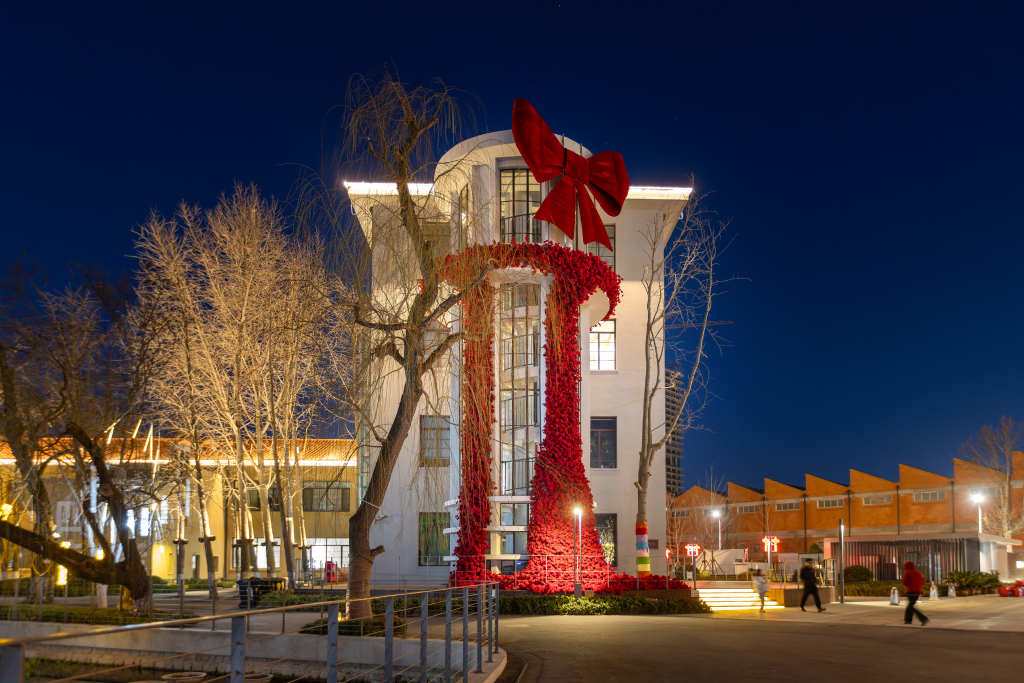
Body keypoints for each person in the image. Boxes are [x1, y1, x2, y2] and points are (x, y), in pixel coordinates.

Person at [901, 561, 929, 625]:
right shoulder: (918, 573)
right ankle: (908, 620)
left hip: (911, 591)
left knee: (911, 607)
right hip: (918, 591)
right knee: (910, 606)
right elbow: (923, 582)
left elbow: (906, 582)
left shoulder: (907, 572)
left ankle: (923, 618)